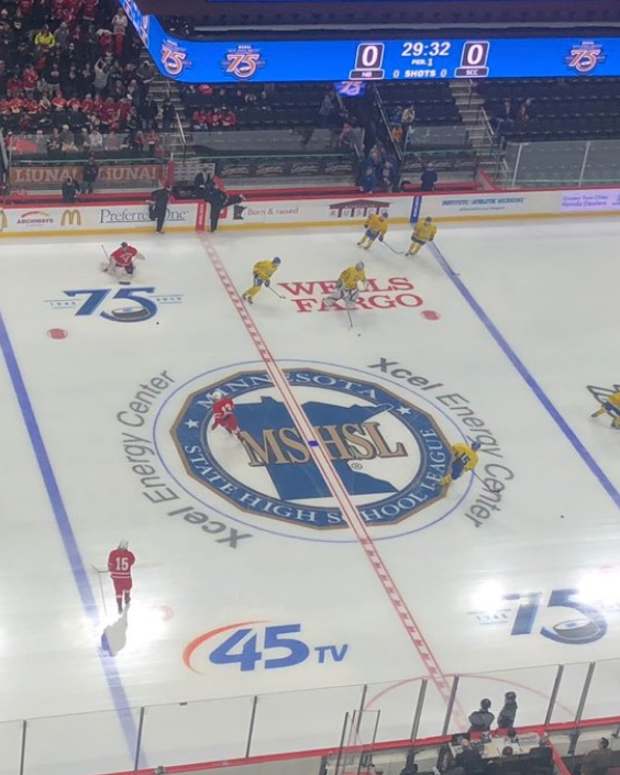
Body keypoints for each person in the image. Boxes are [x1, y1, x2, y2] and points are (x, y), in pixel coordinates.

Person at [107, 540, 135, 614]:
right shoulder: (130, 554)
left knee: (118, 592)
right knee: (128, 587)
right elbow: (132, 561)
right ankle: (127, 597)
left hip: (116, 577)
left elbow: (110, 564)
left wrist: (112, 572)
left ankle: (119, 606)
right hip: (126, 576)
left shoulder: (113, 553)